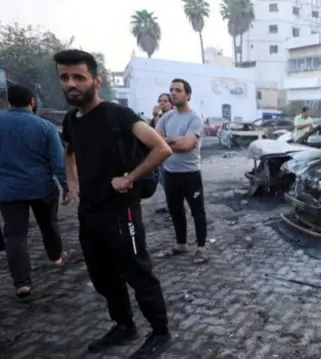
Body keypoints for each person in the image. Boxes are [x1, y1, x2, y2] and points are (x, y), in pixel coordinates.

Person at [54, 49, 173, 358]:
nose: (71, 84)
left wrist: (129, 177)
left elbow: (161, 149)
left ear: (96, 80)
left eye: (78, 77)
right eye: (65, 78)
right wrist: (73, 183)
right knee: (103, 277)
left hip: (122, 211)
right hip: (89, 213)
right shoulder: (71, 119)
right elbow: (70, 153)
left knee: (138, 273)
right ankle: (124, 325)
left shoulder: (117, 115)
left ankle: (160, 332)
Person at [0, 84, 71, 298]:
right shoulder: (44, 126)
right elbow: (57, 161)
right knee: (49, 224)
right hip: (42, 188)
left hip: (7, 191)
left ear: (9, 101)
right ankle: (56, 256)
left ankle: (22, 283)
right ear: (32, 101)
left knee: (14, 235)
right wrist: (66, 186)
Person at [155, 79, 208, 264]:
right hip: (170, 173)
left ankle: (201, 247)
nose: (173, 93)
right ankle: (181, 244)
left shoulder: (195, 118)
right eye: (171, 90)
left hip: (190, 174)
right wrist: (174, 141)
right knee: (175, 210)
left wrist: (166, 142)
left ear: (188, 94)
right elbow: (155, 140)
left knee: (197, 211)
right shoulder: (167, 117)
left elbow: (187, 145)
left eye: (178, 90)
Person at [153, 93, 173, 215]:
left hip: (172, 155)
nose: (162, 103)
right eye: (160, 101)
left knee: (170, 183)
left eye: (165, 101)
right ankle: (170, 205)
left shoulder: (173, 117)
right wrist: (156, 116)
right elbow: (154, 135)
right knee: (164, 182)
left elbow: (159, 136)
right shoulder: (160, 117)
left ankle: (175, 208)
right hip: (161, 156)